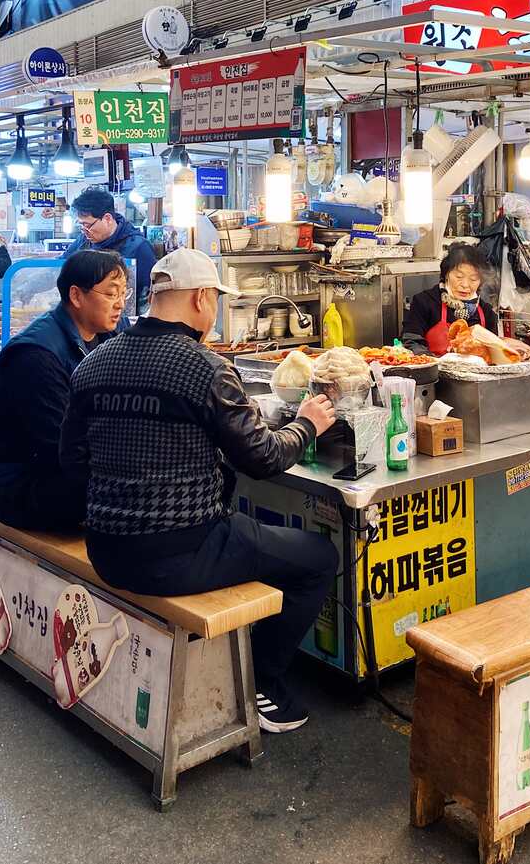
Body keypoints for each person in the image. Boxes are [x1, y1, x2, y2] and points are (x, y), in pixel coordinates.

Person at [59, 248, 337, 734]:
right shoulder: (205, 368)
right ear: (203, 299)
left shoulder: (93, 363)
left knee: (264, 542)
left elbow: (73, 461)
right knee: (318, 556)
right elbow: (265, 458)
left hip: (106, 548)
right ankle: (264, 684)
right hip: (183, 551)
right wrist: (307, 425)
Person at [0, 250, 127, 530]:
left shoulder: (107, 337)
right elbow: (61, 446)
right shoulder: (35, 354)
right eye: (111, 294)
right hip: (23, 488)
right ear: (76, 296)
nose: (120, 305)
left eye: (124, 294)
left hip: (67, 472)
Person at [62, 188, 156, 310]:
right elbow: (60, 267)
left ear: (107, 218)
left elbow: (147, 297)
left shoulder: (138, 247)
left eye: (87, 225)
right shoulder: (83, 241)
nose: (84, 231)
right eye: (81, 225)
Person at [402, 240, 499, 354]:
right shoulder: (424, 302)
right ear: (446, 274)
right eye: (459, 277)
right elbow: (411, 341)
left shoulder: (485, 311)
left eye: (473, 279)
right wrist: (433, 362)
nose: (465, 285)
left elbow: (494, 350)